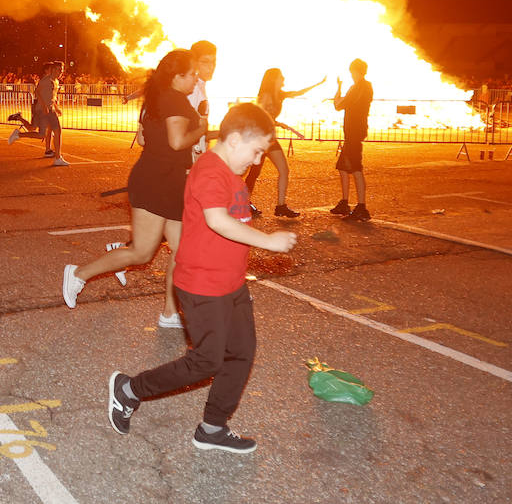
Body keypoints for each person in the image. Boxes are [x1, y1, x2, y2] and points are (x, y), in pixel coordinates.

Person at [106, 103, 297, 453]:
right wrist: (269, 241)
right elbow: (218, 221)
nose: (257, 161)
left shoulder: (230, 171)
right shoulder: (211, 171)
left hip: (231, 283)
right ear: (236, 139)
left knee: (241, 352)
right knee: (207, 360)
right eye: (257, 151)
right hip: (201, 285)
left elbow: (232, 224)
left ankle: (212, 428)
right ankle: (129, 389)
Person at [62, 50, 204, 327]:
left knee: (182, 249)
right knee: (142, 252)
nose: (196, 80)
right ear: (177, 76)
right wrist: (202, 129)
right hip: (158, 182)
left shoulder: (155, 97)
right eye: (192, 75)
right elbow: (177, 142)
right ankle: (78, 273)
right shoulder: (174, 99)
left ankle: (170, 312)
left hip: (167, 179)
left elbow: (141, 139)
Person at [243, 69, 323, 217]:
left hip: (270, 139)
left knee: (283, 170)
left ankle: (281, 206)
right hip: (261, 138)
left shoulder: (280, 94)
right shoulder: (265, 96)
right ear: (273, 79)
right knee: (252, 174)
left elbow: (298, 92)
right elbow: (259, 116)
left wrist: (319, 84)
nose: (283, 78)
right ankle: (241, 204)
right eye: (281, 76)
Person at [329, 59, 373, 222]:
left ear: (355, 71)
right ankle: (345, 202)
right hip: (350, 133)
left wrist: (341, 95)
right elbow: (338, 104)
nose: (351, 74)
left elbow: (339, 104)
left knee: (356, 169)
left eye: (352, 71)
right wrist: (340, 88)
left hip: (355, 133)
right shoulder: (355, 87)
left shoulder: (363, 86)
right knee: (342, 167)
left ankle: (362, 207)